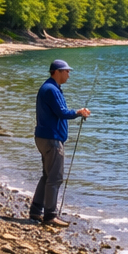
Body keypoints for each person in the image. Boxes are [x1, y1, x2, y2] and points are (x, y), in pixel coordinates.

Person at [30, 59, 90, 228]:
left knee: (47, 176)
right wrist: (79, 112)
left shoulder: (51, 88)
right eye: (66, 71)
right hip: (51, 139)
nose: (68, 74)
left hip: (44, 137)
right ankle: (50, 215)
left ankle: (35, 211)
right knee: (55, 178)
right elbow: (62, 113)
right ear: (56, 71)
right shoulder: (50, 89)